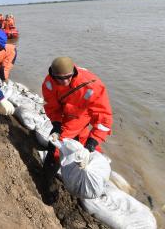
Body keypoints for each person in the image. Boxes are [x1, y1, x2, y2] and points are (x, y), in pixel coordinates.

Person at [41, 56, 113, 202]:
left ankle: (87, 186)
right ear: (52, 74)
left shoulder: (92, 85)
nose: (64, 82)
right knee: (54, 148)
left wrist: (94, 140)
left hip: (82, 116)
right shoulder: (49, 83)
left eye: (67, 77)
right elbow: (52, 106)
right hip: (65, 116)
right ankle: (45, 184)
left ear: (73, 72)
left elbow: (103, 117)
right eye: (59, 79)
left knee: (88, 152)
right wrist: (56, 124)